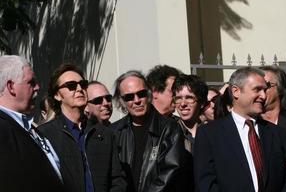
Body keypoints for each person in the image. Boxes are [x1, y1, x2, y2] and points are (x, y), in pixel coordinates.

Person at [194, 67, 286, 192]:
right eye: (257, 90)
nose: (263, 96)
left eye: (265, 90)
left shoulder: (279, 134)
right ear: (236, 91)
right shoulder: (209, 134)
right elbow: (206, 183)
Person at [38, 64, 126, 192]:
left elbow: (118, 179)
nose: (79, 89)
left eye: (83, 84)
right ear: (57, 95)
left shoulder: (103, 133)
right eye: (71, 86)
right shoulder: (45, 134)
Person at [111, 70, 186, 192]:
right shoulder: (115, 131)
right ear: (122, 101)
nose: (136, 100)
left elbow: (171, 171)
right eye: (129, 97)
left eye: (141, 94)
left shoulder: (169, 128)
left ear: (149, 94)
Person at [0, 55, 65, 191]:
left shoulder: (28, 127)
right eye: (31, 82)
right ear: (11, 86)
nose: (37, 87)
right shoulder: (3, 130)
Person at [171, 74, 208, 192]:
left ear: (201, 102)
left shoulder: (213, 133)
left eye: (189, 97)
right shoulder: (169, 133)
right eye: (178, 98)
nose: (182, 104)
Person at [260, 65, 286, 159]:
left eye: (266, 85)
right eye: (256, 87)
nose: (261, 91)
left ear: (280, 89)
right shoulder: (249, 123)